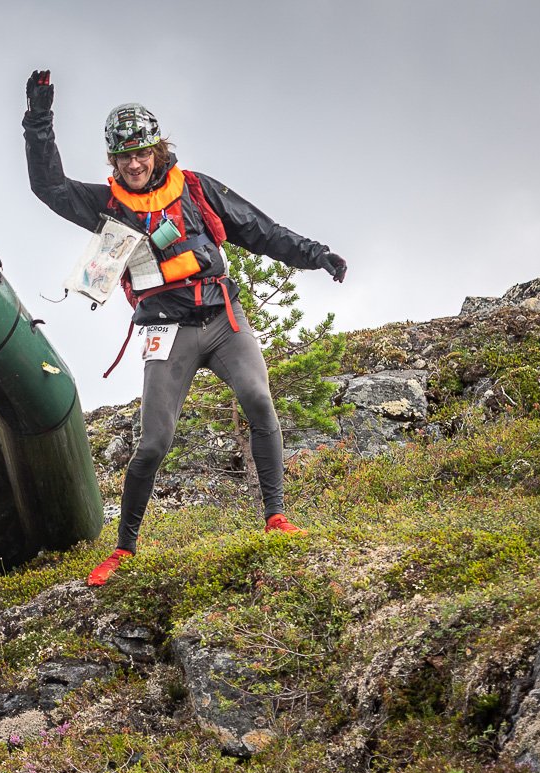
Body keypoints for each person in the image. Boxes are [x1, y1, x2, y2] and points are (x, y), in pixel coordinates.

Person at [22, 71, 347, 585]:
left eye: (142, 153)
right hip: (165, 331)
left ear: (157, 151)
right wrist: (39, 118)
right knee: (154, 441)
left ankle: (276, 518)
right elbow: (48, 186)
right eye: (124, 157)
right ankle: (124, 549)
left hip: (222, 320)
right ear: (114, 160)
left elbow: (259, 230)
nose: (134, 164)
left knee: (258, 400)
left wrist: (315, 255)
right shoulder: (103, 205)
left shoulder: (196, 189)